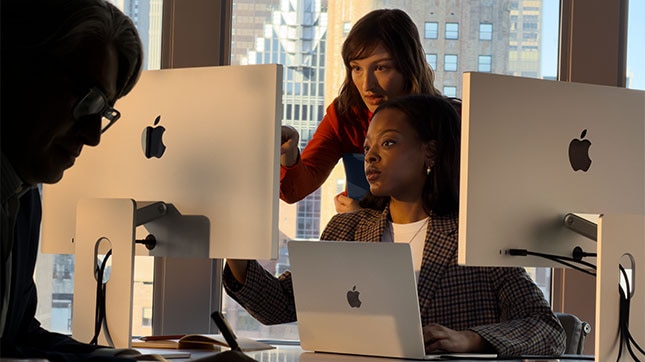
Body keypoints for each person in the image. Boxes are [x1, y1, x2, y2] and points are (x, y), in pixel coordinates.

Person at [224, 95, 566, 357]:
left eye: (388, 143)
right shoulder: (347, 231)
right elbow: (277, 307)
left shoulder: (475, 235)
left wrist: (471, 339)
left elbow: (547, 330)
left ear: (430, 153)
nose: (371, 156)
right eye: (367, 147)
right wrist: (237, 234)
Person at [0, 0, 147, 359]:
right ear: (20, 70)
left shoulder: (23, 198)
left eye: (104, 111)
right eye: (88, 99)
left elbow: (16, 334)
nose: (94, 135)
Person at [279, 8, 457, 213]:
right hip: (361, 241)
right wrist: (289, 155)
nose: (366, 85)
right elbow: (294, 191)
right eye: (357, 68)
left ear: (408, 67)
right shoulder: (345, 115)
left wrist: (363, 219)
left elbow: (464, 205)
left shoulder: (449, 119)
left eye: (381, 68)